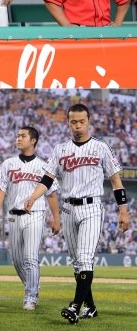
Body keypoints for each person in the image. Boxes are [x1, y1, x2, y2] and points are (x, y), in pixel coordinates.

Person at [24, 103, 130, 324]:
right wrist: (34, 196)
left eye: (82, 121)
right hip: (68, 208)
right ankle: (90, 307)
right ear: (68, 122)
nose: (78, 126)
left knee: (84, 258)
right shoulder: (60, 149)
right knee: (76, 262)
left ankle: (75, 306)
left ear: (89, 121)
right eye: (74, 122)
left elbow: (116, 181)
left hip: (92, 207)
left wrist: (123, 210)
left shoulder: (101, 148)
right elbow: (47, 179)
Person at [0, 126, 60, 310]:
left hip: (35, 214)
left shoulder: (43, 166)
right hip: (14, 215)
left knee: (30, 257)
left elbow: (52, 194)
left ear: (33, 141)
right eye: (17, 136)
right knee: (16, 260)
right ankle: (33, 286)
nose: (18, 138)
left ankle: (30, 296)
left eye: (23, 136)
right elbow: (1, 187)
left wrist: (56, 218)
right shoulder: (8, 163)